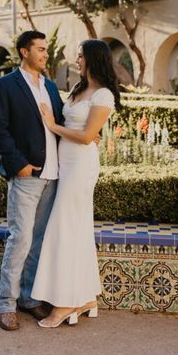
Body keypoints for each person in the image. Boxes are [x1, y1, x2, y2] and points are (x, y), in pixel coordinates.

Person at [31, 38, 120, 328]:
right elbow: (80, 130)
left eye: (80, 56)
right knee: (75, 229)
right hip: (65, 163)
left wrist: (52, 125)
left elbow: (85, 136)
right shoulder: (80, 89)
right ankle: (85, 298)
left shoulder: (104, 95)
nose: (77, 60)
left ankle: (66, 303)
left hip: (81, 167)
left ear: (93, 59)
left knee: (65, 228)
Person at [0, 30, 64, 331]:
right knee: (19, 238)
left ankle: (29, 299)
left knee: (39, 240)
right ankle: (6, 302)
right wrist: (18, 164)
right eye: (41, 49)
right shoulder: (5, 85)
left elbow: (59, 123)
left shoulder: (51, 86)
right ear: (24, 52)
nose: (46, 54)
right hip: (27, 174)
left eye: (46, 50)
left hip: (53, 174)